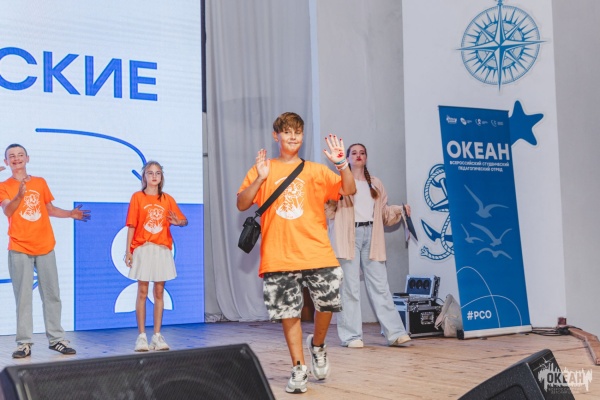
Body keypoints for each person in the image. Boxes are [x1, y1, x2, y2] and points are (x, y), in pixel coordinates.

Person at [237, 112, 356, 394]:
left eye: (298, 132)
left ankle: (318, 345)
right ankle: (299, 368)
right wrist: (260, 179)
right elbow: (242, 203)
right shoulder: (264, 168)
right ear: (276, 136)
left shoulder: (315, 170)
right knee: (289, 312)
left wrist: (342, 165)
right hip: (279, 254)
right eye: (287, 131)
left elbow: (349, 190)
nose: (293, 137)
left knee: (328, 304)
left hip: (317, 251)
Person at [0, 144, 90, 359]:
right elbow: (8, 211)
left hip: (45, 245)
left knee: (52, 295)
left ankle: (57, 339)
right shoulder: (4, 186)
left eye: (20, 155)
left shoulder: (40, 182)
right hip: (19, 246)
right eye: (11, 156)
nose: (16, 158)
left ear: (27, 158)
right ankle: (24, 343)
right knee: (23, 297)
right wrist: (19, 196)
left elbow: (49, 209)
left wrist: (70, 213)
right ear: (6, 162)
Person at [325, 143, 412, 348]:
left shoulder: (376, 183)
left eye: (362, 153)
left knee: (381, 287)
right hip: (347, 238)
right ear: (347, 158)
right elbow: (328, 211)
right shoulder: (338, 182)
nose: (358, 155)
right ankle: (351, 336)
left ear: (366, 157)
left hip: (372, 236)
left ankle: (396, 334)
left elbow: (384, 215)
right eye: (354, 153)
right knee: (350, 289)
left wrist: (400, 210)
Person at [125, 160, 187, 352]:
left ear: (161, 177)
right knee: (142, 291)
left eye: (157, 173)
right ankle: (141, 336)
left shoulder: (167, 199)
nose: (154, 176)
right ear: (144, 176)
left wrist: (178, 222)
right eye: (150, 173)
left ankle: (157, 336)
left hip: (162, 249)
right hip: (143, 248)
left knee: (159, 292)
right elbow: (132, 225)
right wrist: (128, 251)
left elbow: (183, 220)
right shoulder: (137, 197)